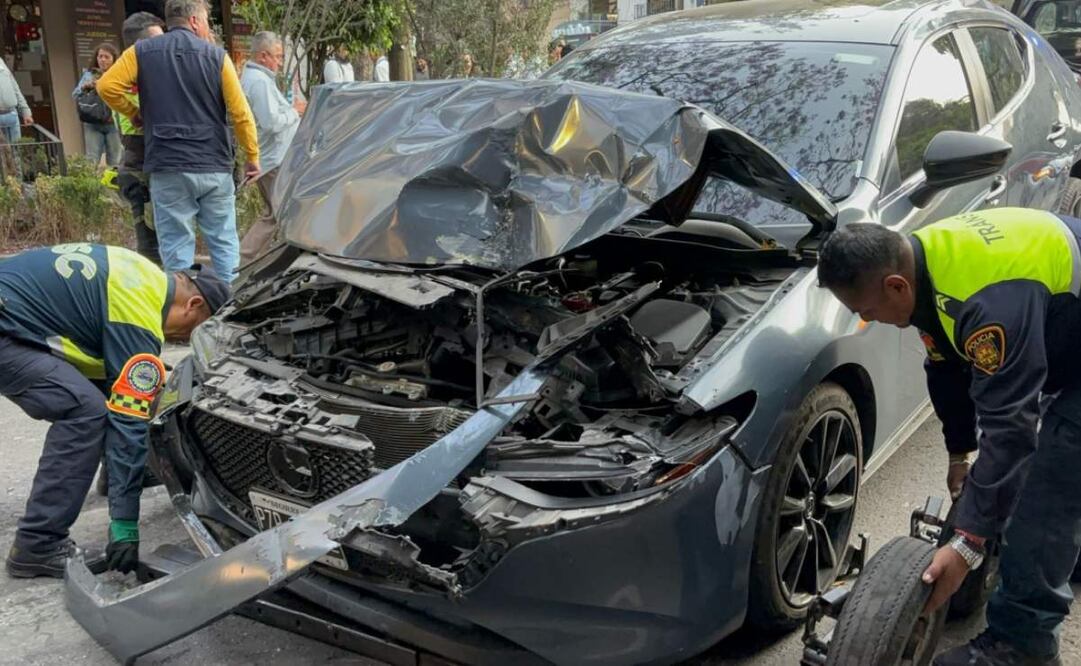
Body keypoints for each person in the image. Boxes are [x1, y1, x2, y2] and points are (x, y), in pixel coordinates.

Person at [817, 208, 1081, 666]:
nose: (868, 320)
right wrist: (960, 451)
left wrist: (965, 544)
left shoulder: (987, 302)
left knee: (1047, 487)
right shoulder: (920, 263)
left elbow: (1012, 435)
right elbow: (945, 366)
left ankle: (1022, 645)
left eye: (867, 311)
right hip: (1062, 325)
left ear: (895, 286)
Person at [1, 244, 229, 578]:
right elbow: (127, 418)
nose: (184, 338)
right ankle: (38, 544)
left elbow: (116, 380)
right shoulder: (138, 314)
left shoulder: (140, 274)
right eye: (196, 328)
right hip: (7, 328)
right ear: (193, 304)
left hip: (13, 315)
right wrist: (124, 524)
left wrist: (126, 472)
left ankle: (112, 474)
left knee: (119, 384)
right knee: (84, 411)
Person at [97, 0, 260, 283]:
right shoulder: (217, 57)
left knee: (176, 251)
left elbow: (106, 86)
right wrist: (252, 157)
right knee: (224, 244)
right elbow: (240, 113)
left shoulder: (142, 51)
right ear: (195, 20)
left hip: (168, 164)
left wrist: (134, 113)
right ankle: (230, 309)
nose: (208, 27)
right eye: (208, 20)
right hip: (213, 163)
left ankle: (185, 315)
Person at [239, 31, 304, 265]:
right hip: (273, 160)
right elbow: (272, 122)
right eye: (277, 56)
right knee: (278, 214)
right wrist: (294, 111)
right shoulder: (258, 82)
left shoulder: (260, 79)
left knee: (277, 214)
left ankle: (250, 262)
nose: (279, 61)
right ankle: (244, 262)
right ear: (263, 56)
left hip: (273, 159)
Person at [114, 12, 165, 266]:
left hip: (145, 164)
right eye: (160, 39)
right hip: (139, 167)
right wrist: (135, 113)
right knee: (150, 243)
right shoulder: (129, 75)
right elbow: (106, 88)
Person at [73, 44, 123, 167]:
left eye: (106, 57)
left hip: (113, 123)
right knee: (91, 159)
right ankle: (92, 185)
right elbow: (75, 94)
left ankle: (113, 185)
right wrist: (86, 87)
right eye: (100, 56)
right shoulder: (90, 74)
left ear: (113, 59)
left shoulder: (119, 74)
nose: (103, 60)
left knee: (115, 160)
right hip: (93, 122)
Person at [0, 56, 32, 143]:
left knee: (17, 151)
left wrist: (26, 111)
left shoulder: (1, 62)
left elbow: (15, 87)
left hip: (12, 115)